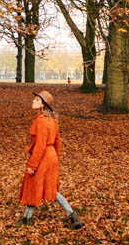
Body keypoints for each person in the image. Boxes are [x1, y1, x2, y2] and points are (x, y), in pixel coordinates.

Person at [18, 90, 84, 229]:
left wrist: (32, 165)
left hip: (43, 156)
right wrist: (55, 159)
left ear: (43, 105)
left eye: (36, 100)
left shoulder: (42, 121)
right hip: (51, 155)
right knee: (50, 188)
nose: (33, 102)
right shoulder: (53, 120)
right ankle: (73, 217)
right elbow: (58, 142)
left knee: (35, 185)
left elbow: (40, 145)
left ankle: (26, 218)